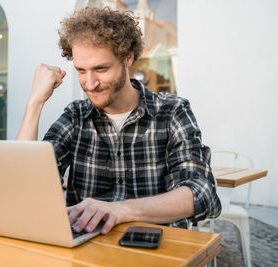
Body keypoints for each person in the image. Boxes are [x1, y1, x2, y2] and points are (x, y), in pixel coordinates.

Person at [17, 7, 221, 235]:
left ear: (128, 57)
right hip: (86, 251)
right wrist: (34, 103)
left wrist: (120, 210)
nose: (90, 83)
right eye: (81, 71)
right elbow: (24, 186)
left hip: (158, 249)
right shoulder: (75, 117)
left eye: (101, 69)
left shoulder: (172, 111)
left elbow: (202, 193)